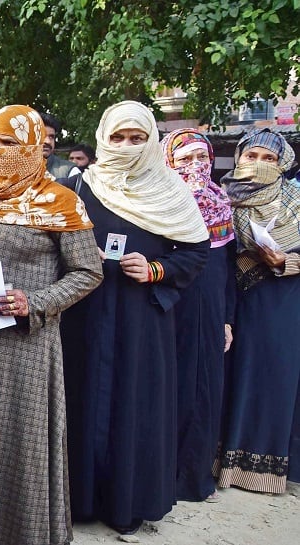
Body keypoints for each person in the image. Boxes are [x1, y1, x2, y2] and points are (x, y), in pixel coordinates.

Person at [0, 105, 103, 545]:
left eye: (8, 142)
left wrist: (37, 302)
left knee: (15, 447)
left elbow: (89, 272)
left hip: (23, 349)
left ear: (33, 146)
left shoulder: (60, 201)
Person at [61, 101, 209, 536]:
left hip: (139, 318)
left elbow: (196, 252)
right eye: (119, 137)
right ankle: (79, 500)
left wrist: (156, 270)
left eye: (137, 138)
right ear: (103, 137)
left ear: (151, 142)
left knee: (133, 401)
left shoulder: (170, 191)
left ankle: (127, 503)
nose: (126, 146)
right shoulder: (79, 186)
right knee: (81, 397)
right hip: (82, 315)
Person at [215, 129, 300, 494]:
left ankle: (263, 469)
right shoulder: (219, 196)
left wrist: (288, 260)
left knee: (271, 379)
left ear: (283, 163)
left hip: (282, 301)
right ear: (238, 158)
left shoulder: (295, 199)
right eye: (252, 157)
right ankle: (220, 461)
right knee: (231, 375)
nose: (260, 164)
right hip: (232, 299)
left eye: (269, 159)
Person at [161, 129, 236, 503]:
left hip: (208, 313)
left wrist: (226, 319)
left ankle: (194, 477)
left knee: (205, 389)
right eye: (185, 159)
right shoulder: (158, 202)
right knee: (167, 387)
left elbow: (227, 271)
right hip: (167, 308)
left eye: (201, 158)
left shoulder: (221, 203)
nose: (195, 166)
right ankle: (161, 475)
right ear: (169, 163)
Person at [41, 113, 78, 179]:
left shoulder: (70, 171)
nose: (48, 141)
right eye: (42, 136)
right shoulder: (17, 169)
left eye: (51, 137)